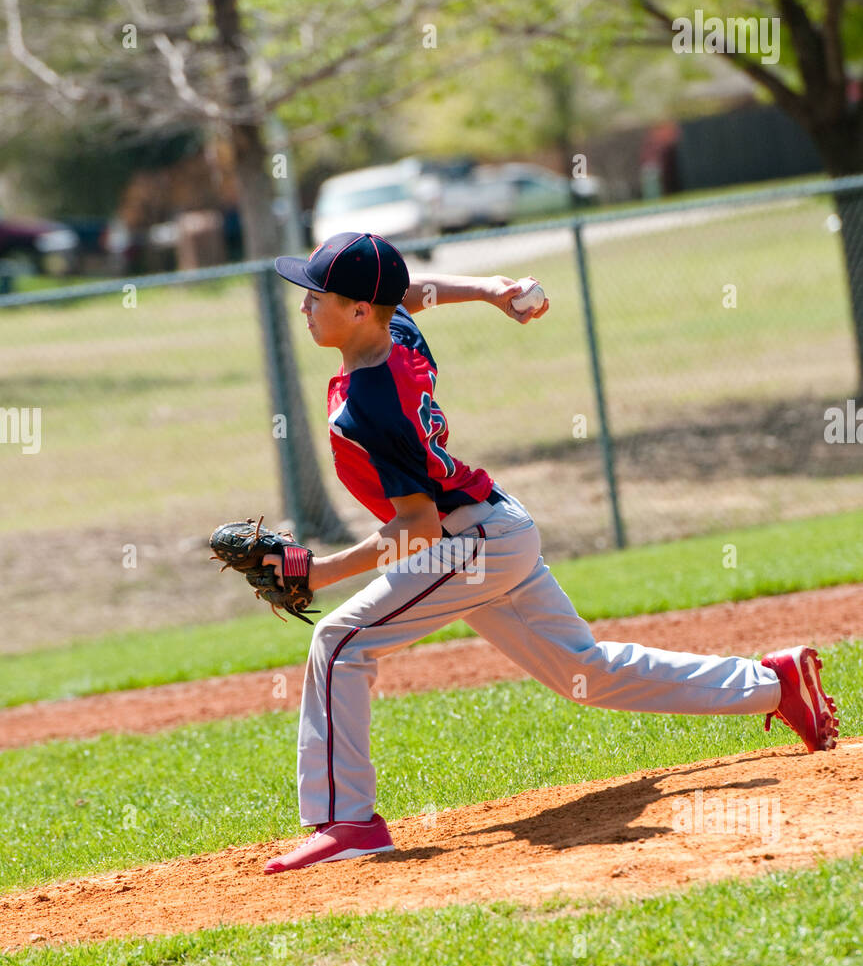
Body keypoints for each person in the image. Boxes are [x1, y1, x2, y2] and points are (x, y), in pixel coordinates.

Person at [263, 231, 838, 873]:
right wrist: (489, 289)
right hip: (494, 529)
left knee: (341, 642)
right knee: (582, 672)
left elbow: (418, 527)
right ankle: (775, 683)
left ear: (359, 311)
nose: (306, 305)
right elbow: (414, 297)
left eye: (318, 295)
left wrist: (321, 572)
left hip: (467, 543)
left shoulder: (373, 404)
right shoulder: (392, 337)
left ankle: (350, 824)